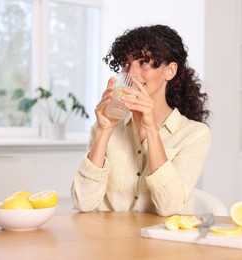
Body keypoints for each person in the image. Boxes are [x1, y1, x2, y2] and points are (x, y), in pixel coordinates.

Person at [71, 24, 212, 216]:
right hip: (109, 242)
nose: (132, 72)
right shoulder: (105, 124)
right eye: (126, 63)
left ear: (170, 71)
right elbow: (84, 202)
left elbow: (170, 207)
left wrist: (151, 129)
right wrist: (104, 131)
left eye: (144, 62)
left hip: (162, 242)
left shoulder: (195, 134)